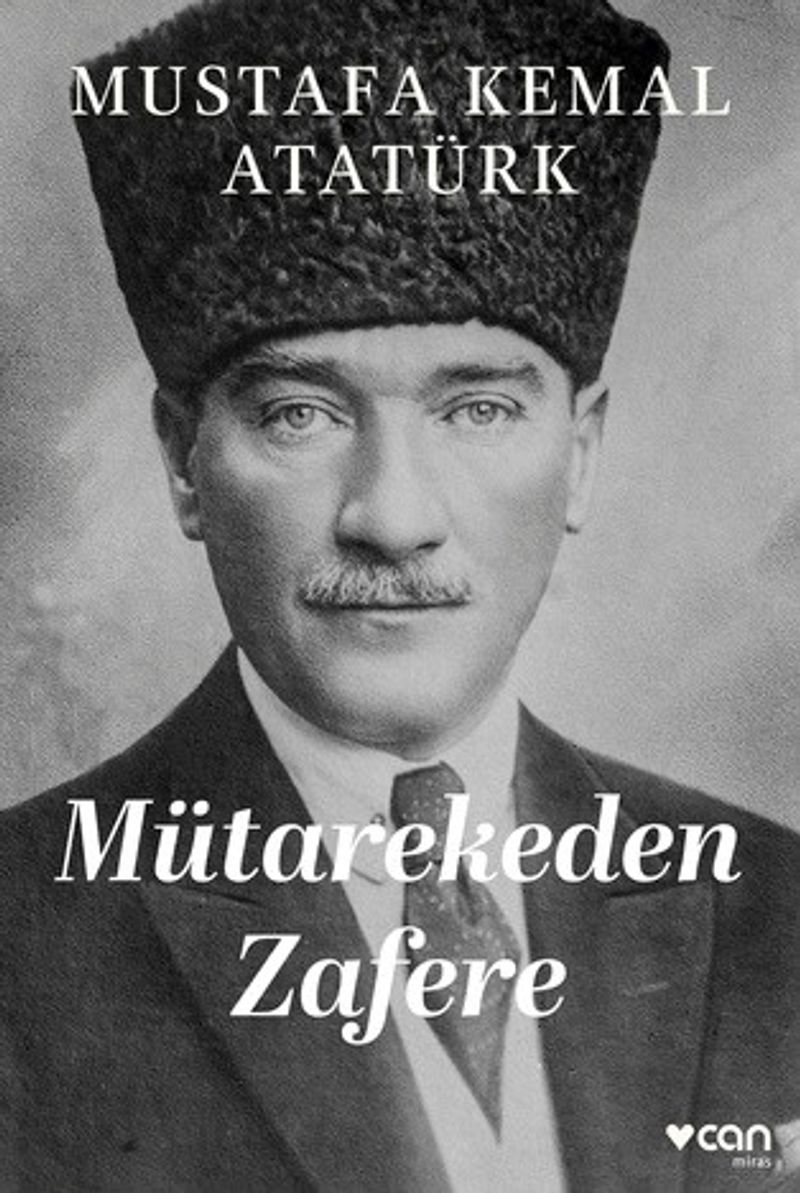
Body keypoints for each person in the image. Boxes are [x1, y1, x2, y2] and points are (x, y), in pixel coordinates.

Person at [1, 0, 799, 1189]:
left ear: (579, 454)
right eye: (299, 414)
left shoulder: (775, 907)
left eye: (476, 409)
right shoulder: (21, 932)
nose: (390, 516)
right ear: (182, 460)